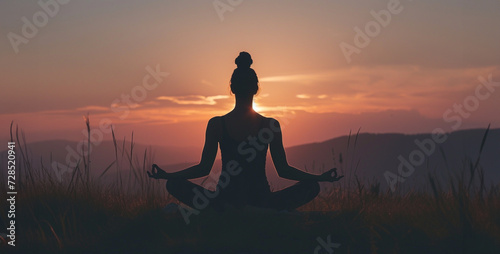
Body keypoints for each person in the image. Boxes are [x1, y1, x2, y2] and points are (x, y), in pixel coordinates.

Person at [147, 52, 343, 211]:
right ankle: (260, 215)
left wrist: (168, 176)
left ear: (231, 88)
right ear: (256, 89)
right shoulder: (270, 125)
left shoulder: (216, 124)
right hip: (262, 201)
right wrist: (320, 178)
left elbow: (203, 169)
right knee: (311, 187)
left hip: (224, 202)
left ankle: (229, 214)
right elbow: (284, 170)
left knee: (174, 184)